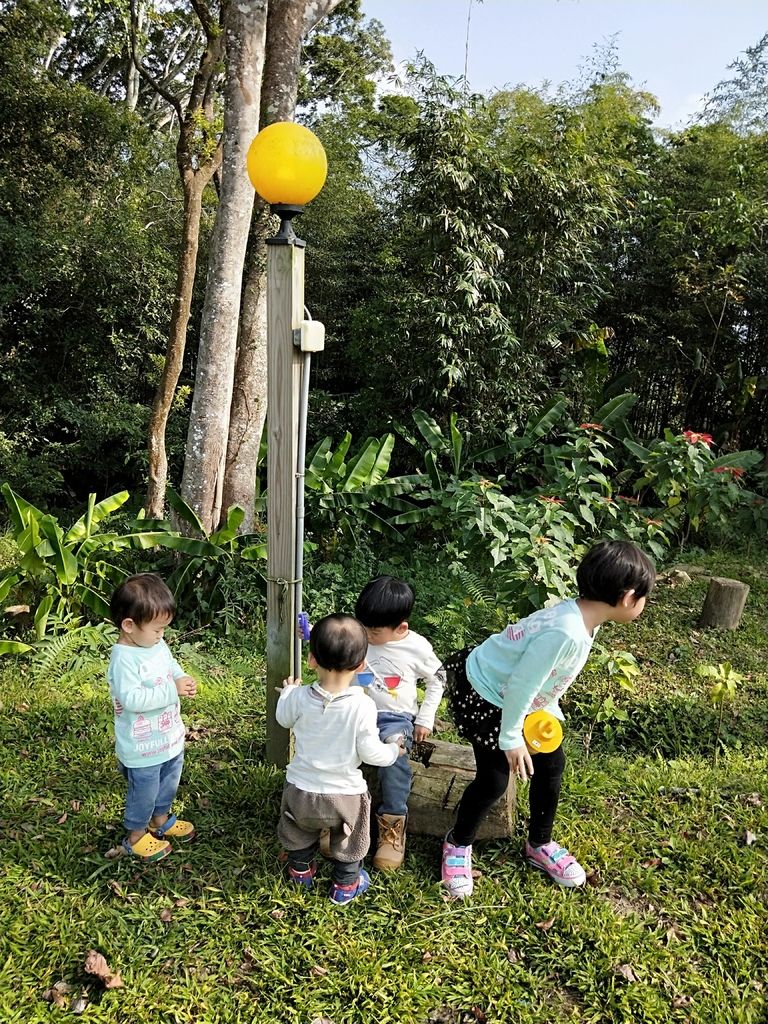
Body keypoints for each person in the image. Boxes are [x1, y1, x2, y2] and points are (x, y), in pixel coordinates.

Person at [440, 540, 656, 898]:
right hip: (489, 691)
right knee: (494, 780)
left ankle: (539, 843)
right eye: (644, 596)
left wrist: (548, 708)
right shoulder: (565, 630)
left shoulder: (585, 618)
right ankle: (458, 842)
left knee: (552, 764)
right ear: (628, 597)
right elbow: (521, 684)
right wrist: (511, 738)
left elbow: (549, 675)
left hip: (518, 697)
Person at [276, 614, 405, 905]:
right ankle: (345, 886)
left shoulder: (298, 697)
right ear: (361, 666)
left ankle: (300, 872)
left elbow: (283, 719)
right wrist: (393, 750)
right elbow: (370, 753)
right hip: (345, 797)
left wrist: (288, 692)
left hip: (300, 792)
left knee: (297, 833)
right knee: (350, 841)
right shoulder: (363, 705)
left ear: (311, 660)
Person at [354, 576, 445, 871]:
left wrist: (425, 717)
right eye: (363, 627)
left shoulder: (415, 647)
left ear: (401, 628)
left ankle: (392, 825)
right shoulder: (360, 635)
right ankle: (337, 818)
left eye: (374, 632)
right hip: (354, 709)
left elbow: (439, 678)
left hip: (394, 718)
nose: (366, 636)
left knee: (394, 756)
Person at [108, 573, 197, 862]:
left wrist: (181, 677)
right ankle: (135, 836)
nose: (162, 636)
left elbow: (170, 665)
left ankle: (160, 819)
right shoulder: (124, 659)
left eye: (164, 630)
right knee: (144, 791)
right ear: (129, 626)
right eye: (157, 629)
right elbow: (132, 700)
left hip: (169, 738)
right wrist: (173, 690)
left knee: (169, 780)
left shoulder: (156, 645)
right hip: (142, 746)